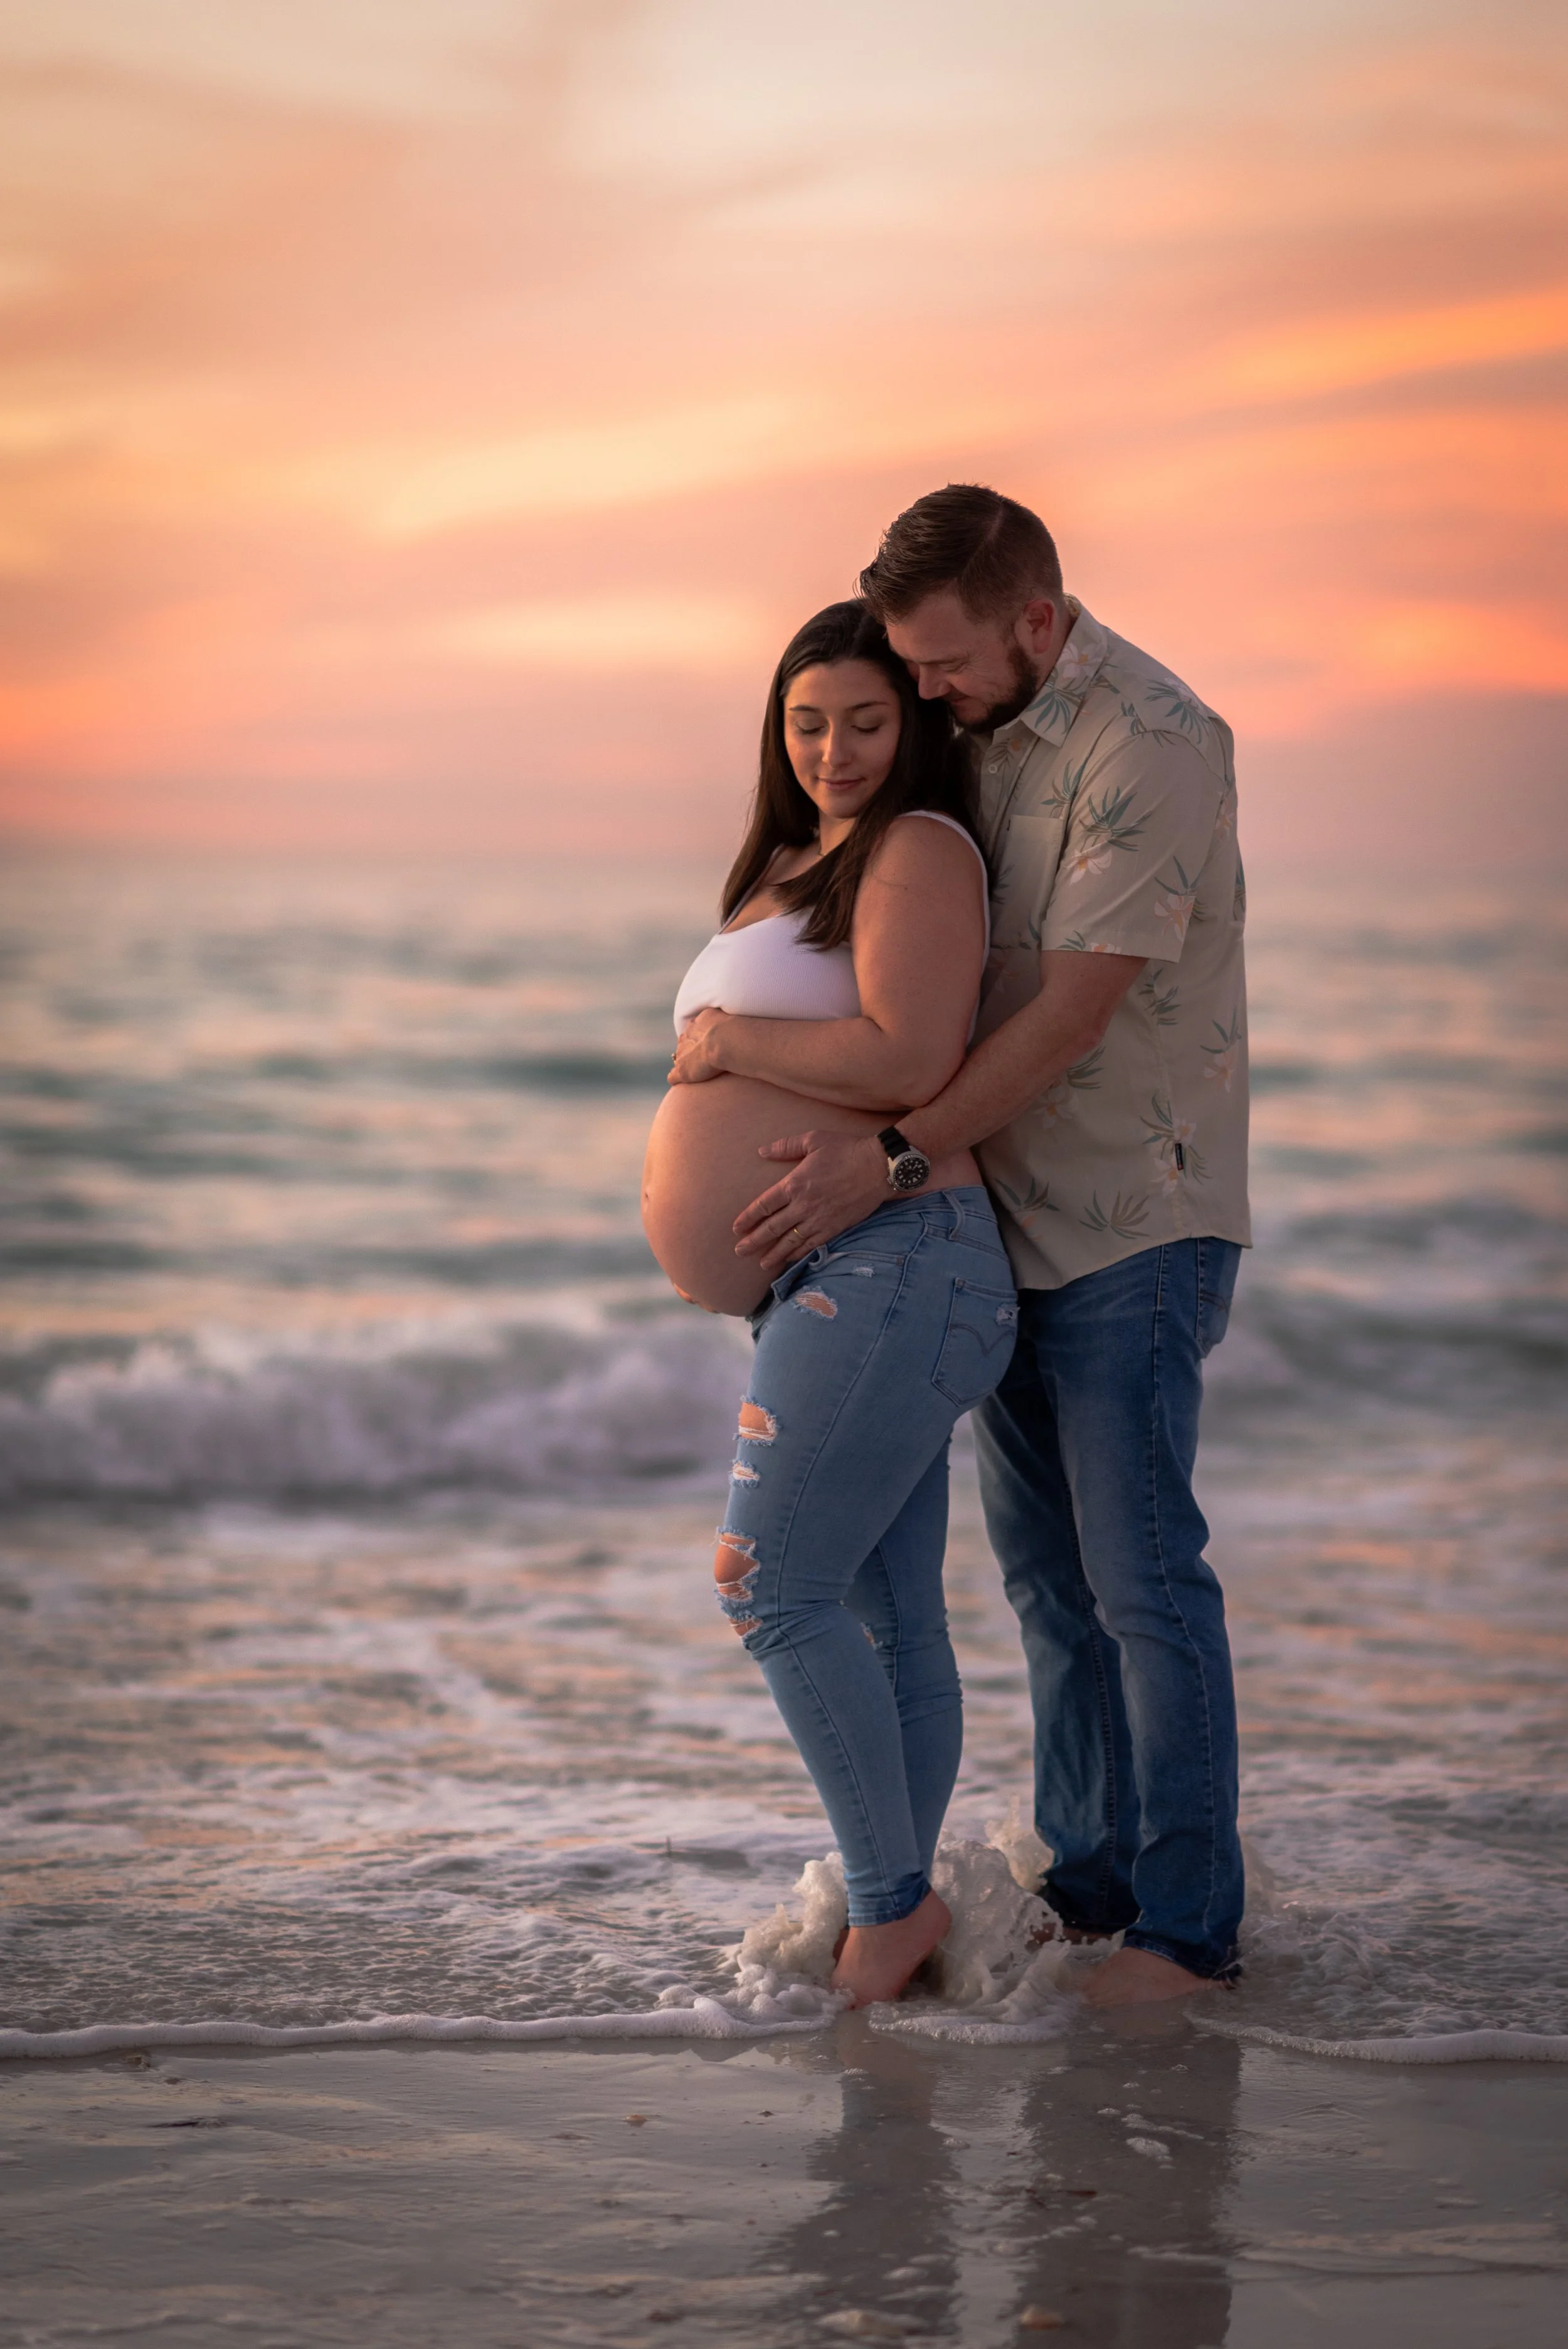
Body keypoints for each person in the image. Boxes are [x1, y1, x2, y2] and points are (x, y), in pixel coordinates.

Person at [731, 487, 1251, 2008]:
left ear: (1035, 619)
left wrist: (887, 1165)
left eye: (943, 666)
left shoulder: (1147, 743)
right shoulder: (984, 729)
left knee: (1143, 1579)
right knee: (1044, 1588)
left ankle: (1185, 1935)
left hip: (1130, 1218)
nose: (926, 694)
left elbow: (1067, 1014)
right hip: (1002, 1222)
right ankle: (1088, 1888)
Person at [642, 599, 1018, 2007]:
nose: (834, 748)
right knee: (883, 1613)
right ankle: (901, 1921)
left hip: (898, 1258)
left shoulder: (916, 848)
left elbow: (912, 1051)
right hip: (846, 1274)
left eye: (866, 719)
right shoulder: (800, 860)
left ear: (910, 722)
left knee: (768, 1586)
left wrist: (732, 1039)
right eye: (807, 722)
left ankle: (887, 1915)